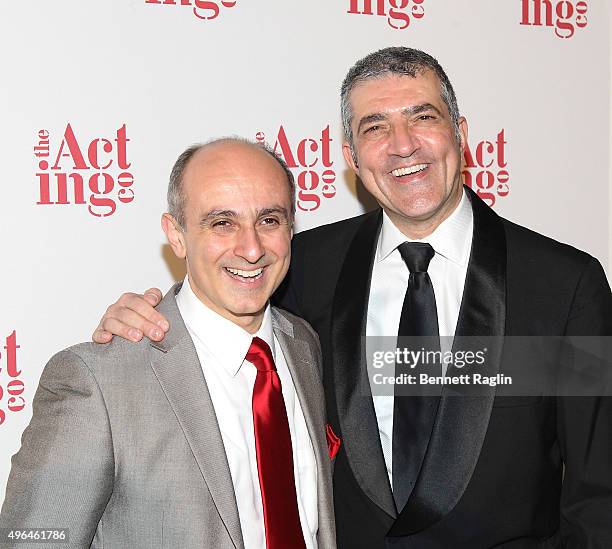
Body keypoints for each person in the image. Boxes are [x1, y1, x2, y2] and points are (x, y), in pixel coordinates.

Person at [92, 48, 612, 548]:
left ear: (461, 133)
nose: (402, 145)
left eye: (422, 117)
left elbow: (599, 495)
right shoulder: (304, 266)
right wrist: (147, 319)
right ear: (352, 159)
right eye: (375, 127)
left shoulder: (565, 286)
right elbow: (218, 309)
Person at [0, 139, 336, 549]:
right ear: (176, 236)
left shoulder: (304, 345)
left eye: (269, 220)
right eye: (222, 223)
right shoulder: (98, 382)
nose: (251, 249)